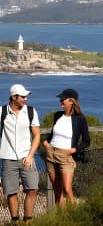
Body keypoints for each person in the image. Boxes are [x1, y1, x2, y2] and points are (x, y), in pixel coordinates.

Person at [0, 84, 40, 223]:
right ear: (13, 97)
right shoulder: (1, 112)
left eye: (26, 96)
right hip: (7, 158)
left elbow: (36, 136)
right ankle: (15, 221)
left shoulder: (30, 111)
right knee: (11, 192)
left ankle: (27, 220)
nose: (25, 99)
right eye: (22, 96)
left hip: (26, 157)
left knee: (33, 189)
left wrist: (30, 156)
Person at [43, 88, 90, 205]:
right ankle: (62, 217)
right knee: (57, 191)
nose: (60, 102)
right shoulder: (57, 115)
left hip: (66, 156)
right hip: (51, 154)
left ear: (71, 101)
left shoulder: (80, 119)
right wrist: (46, 143)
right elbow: (53, 134)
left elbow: (86, 141)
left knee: (67, 189)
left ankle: (74, 216)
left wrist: (74, 150)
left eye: (63, 99)